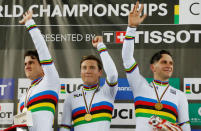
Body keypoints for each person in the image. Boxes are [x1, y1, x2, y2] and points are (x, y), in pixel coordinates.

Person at [122, 1, 191, 131]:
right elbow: (127, 59)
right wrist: (131, 28)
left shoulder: (180, 95)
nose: (169, 65)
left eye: (171, 63)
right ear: (153, 67)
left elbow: (186, 128)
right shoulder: (139, 85)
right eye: (164, 62)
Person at [60, 36, 118, 131]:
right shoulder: (71, 97)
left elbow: (112, 75)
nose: (87, 71)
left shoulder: (107, 92)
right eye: (84, 68)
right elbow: (64, 128)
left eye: (92, 67)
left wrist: (100, 46)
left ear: (100, 72)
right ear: (80, 72)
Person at [17, 10, 60, 131]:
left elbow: (43, 50)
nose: (27, 66)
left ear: (42, 66)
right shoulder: (23, 97)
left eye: (31, 62)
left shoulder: (50, 81)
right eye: (25, 64)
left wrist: (30, 24)